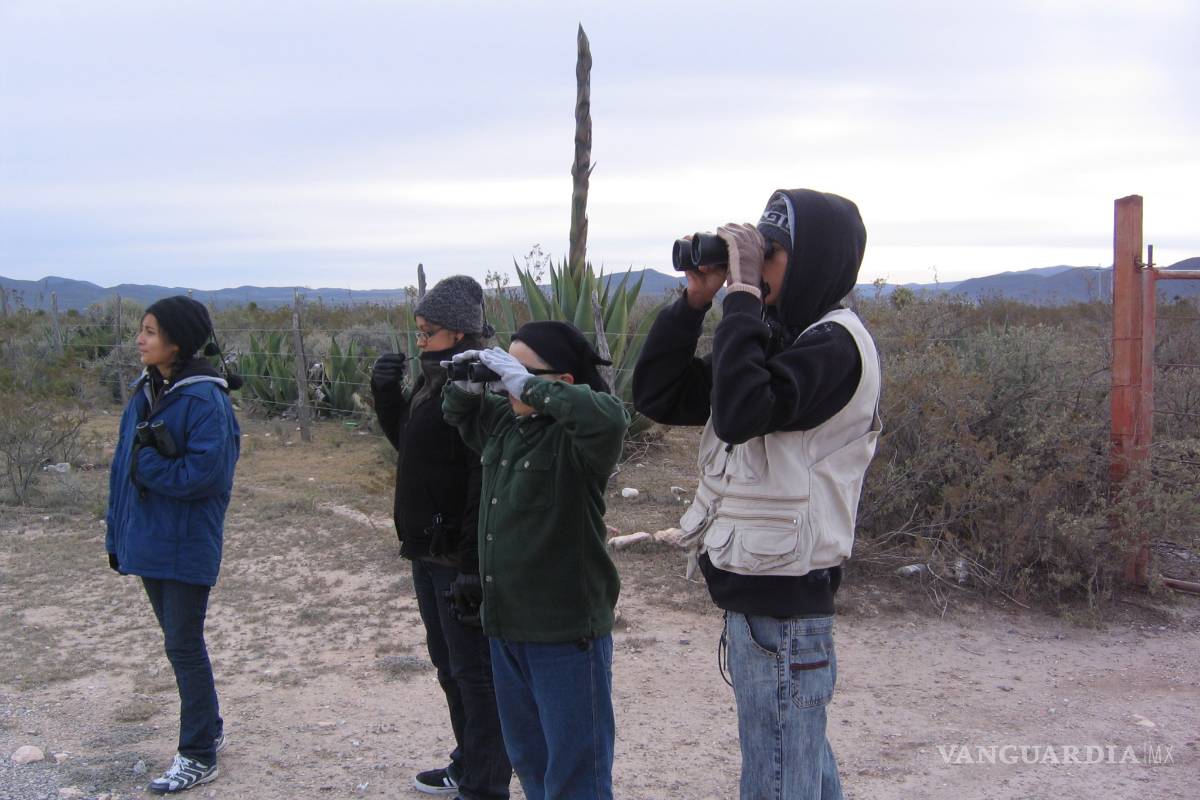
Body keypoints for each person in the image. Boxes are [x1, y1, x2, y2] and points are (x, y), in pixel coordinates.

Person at [632, 189, 882, 800]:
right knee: (796, 767)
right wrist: (695, 302)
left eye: (767, 256)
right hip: (764, 598)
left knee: (775, 778)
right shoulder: (779, 339)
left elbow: (743, 410)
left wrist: (740, 301)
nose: (754, 269)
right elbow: (661, 395)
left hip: (786, 607)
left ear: (814, 261)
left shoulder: (836, 345)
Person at [441, 321, 629, 800]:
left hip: (564, 635)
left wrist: (527, 385)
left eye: (519, 373)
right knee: (530, 762)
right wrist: (465, 384)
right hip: (507, 629)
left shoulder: (579, 442)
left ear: (560, 383)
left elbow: (609, 416)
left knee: (575, 775)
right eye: (504, 371)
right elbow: (459, 418)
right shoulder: (506, 425)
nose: (507, 385)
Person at [370, 275, 512, 799]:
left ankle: (487, 783)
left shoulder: (478, 380)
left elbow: (483, 475)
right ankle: (469, 762)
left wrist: (473, 563)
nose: (419, 341)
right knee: (450, 664)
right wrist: (387, 395)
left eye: (428, 332)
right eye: (419, 331)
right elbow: (412, 446)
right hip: (426, 547)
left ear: (457, 332)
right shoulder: (436, 377)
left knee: (475, 674)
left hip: (457, 551)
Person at [105, 296, 242, 794]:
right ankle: (210, 727)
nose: (139, 339)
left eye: (150, 331)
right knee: (180, 644)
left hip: (185, 544)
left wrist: (148, 467)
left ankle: (198, 753)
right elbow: (122, 472)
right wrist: (117, 534)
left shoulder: (204, 399)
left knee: (183, 645)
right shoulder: (148, 390)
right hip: (150, 539)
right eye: (140, 330)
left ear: (177, 342)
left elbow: (205, 475)